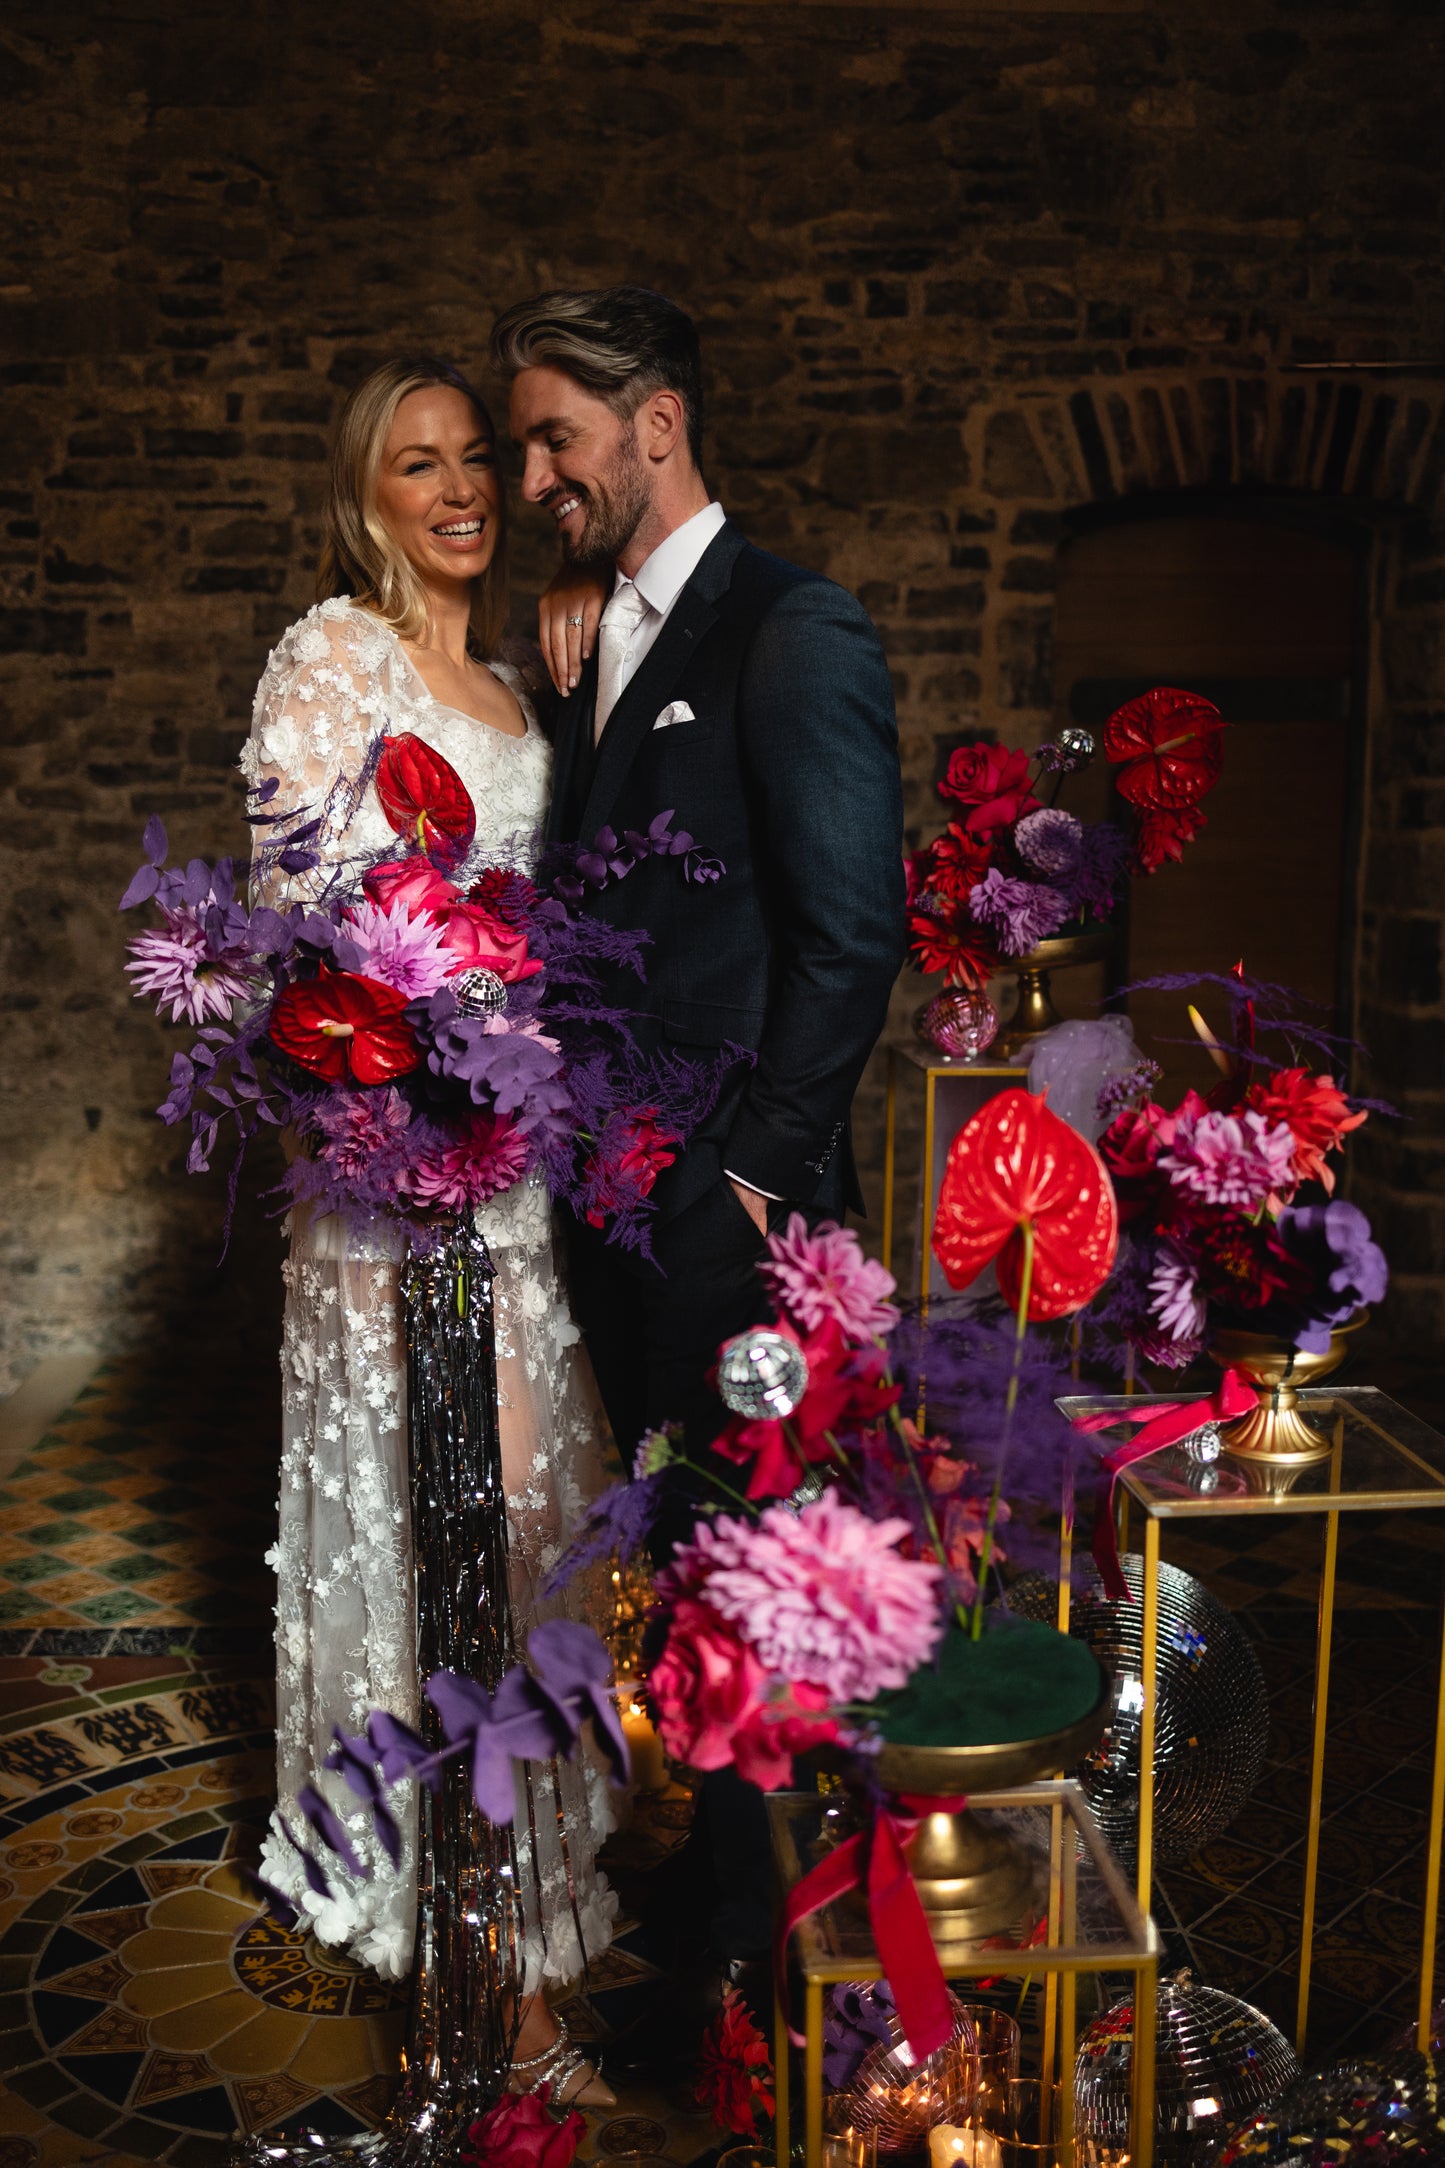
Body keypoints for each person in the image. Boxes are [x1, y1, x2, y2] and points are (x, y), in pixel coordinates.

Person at [492, 286, 908, 1971]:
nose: (531, 479)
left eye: (555, 440)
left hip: (737, 1220)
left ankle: (785, 1960)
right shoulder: (601, 633)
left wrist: (746, 1181)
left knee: (766, 1580)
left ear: (654, 424)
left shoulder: (792, 626)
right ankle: (733, 1888)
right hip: (622, 1210)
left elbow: (849, 937)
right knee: (686, 1560)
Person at [239, 356, 617, 2108]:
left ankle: (531, 1885)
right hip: (394, 1168)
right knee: (438, 1524)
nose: (460, 487)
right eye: (419, 464)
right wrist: (419, 1034)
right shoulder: (334, 655)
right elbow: (293, 920)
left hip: (518, 1171)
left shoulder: (532, 675)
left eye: (477, 457)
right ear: (363, 495)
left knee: (530, 1518)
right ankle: (480, 1948)